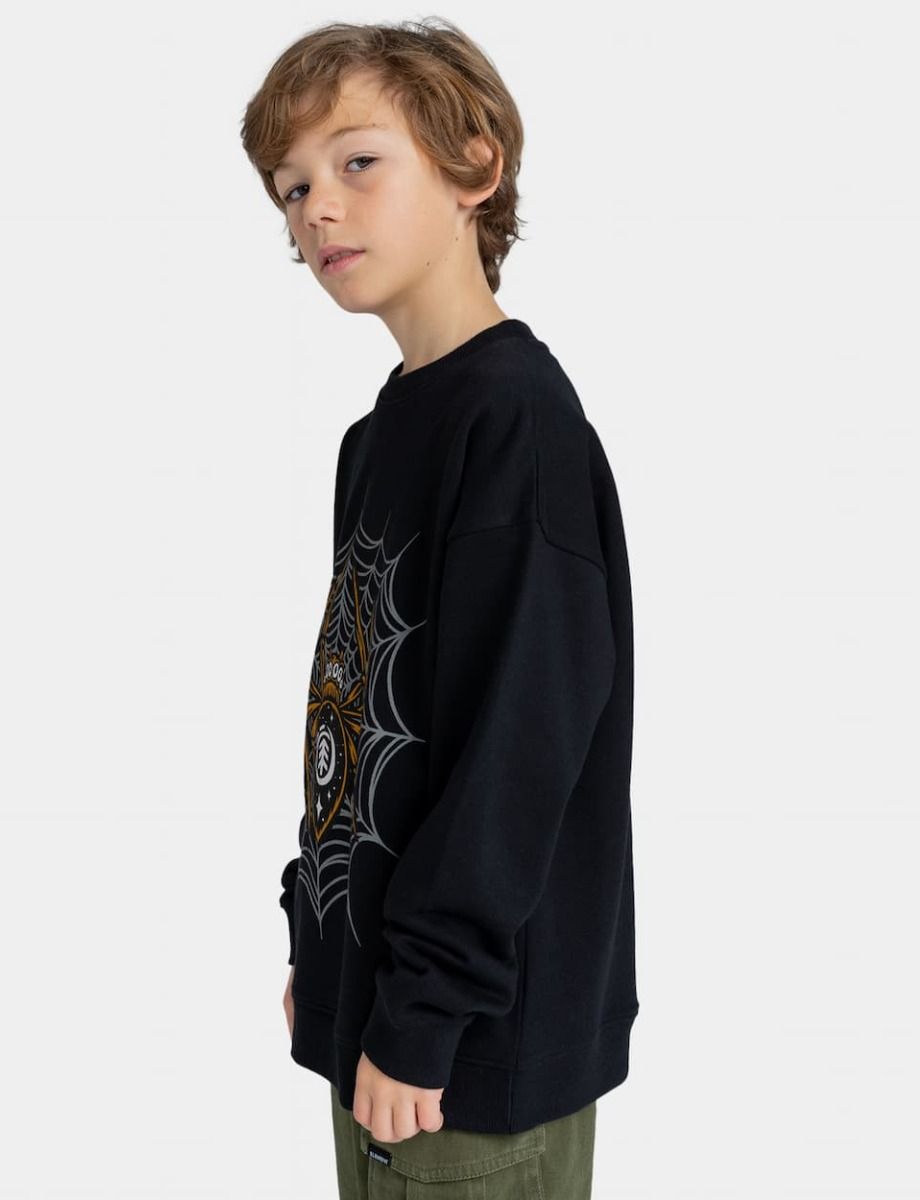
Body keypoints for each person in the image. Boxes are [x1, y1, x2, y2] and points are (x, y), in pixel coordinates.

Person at [241, 18, 639, 1199]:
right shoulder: (379, 437)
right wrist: (322, 938)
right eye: (292, 187)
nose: (318, 207)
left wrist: (425, 1003)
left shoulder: (516, 426)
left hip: (465, 1054)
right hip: (382, 1021)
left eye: (358, 162)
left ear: (474, 168)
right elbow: (361, 705)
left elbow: (520, 751)